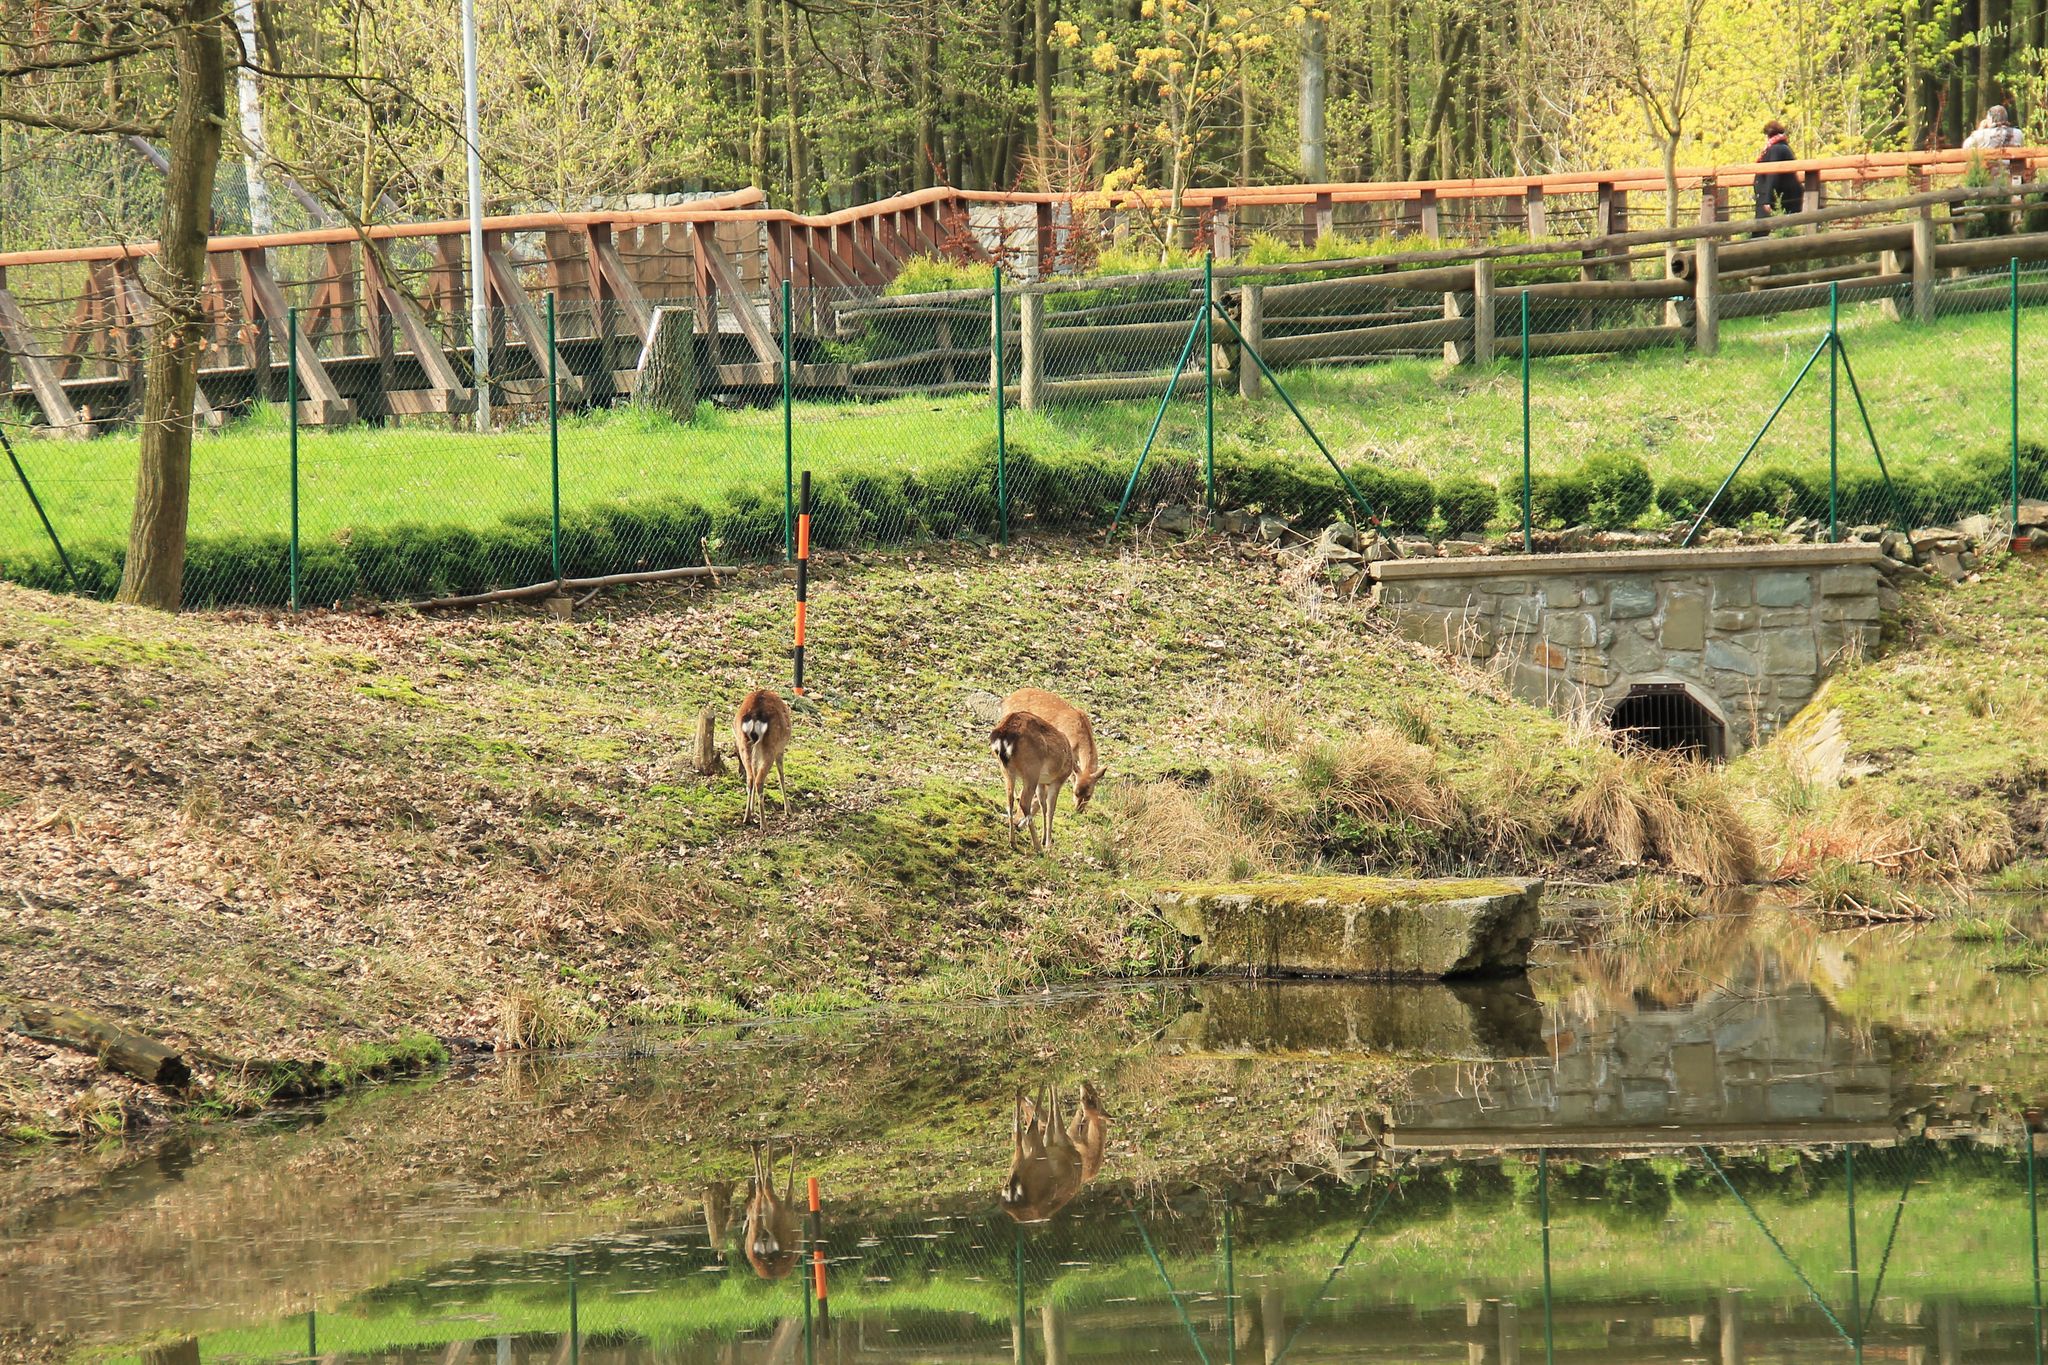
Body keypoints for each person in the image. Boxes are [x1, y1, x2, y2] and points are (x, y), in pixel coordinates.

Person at [1753, 119, 1801, 234]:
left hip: (1776, 199)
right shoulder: (1782, 148)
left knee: (1761, 234)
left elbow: (1773, 174)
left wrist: (1768, 200)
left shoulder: (1776, 149)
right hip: (1775, 197)